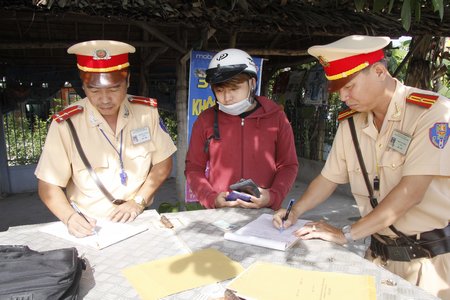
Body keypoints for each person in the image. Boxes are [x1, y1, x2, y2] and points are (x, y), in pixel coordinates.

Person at [273, 35, 450, 298]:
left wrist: (346, 233)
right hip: (377, 257)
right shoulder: (351, 123)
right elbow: (327, 179)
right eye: (338, 89)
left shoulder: (431, 113)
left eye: (350, 86)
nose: (343, 96)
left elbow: (411, 192)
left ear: (379, 71)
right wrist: (294, 211)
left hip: (427, 264)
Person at [35, 40, 176, 238]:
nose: (105, 99)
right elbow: (48, 184)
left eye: (113, 89)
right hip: (90, 224)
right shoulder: (66, 124)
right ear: (83, 86)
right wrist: (69, 217)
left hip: (138, 217)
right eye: (94, 90)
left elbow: (163, 162)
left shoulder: (146, 113)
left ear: (127, 82)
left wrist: (138, 201)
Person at [185, 48, 298, 209]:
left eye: (234, 89)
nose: (226, 97)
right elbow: (193, 168)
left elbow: (288, 165)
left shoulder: (276, 117)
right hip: (220, 213)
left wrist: (273, 196)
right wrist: (211, 198)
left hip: (264, 211)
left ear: (252, 83)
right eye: (219, 90)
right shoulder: (205, 120)